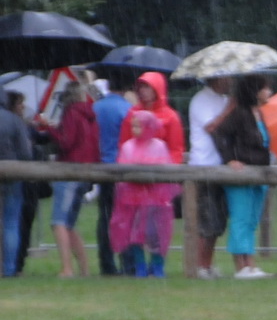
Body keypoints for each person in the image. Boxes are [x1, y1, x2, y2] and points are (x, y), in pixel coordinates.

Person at [37, 81, 99, 277]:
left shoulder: (71, 112)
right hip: (85, 172)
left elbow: (66, 141)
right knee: (69, 225)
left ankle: (67, 268)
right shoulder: (89, 114)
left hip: (70, 171)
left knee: (59, 222)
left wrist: (50, 128)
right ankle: (84, 270)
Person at [109, 109, 180, 279]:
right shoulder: (128, 146)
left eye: (138, 126)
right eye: (133, 126)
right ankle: (139, 266)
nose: (135, 130)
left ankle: (157, 266)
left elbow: (165, 171)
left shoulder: (159, 146)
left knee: (157, 234)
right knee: (135, 235)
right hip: (133, 200)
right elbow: (122, 172)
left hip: (156, 200)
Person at [214, 75, 273, 278]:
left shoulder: (261, 114)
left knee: (252, 220)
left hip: (259, 176)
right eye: (265, 88)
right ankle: (241, 266)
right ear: (255, 91)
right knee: (241, 218)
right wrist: (230, 159)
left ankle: (251, 264)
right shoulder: (239, 113)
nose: (269, 93)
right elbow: (220, 134)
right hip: (241, 177)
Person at [186, 76, 231, 278]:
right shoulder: (200, 100)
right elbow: (211, 127)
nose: (229, 80)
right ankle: (198, 266)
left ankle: (207, 264)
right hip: (203, 166)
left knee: (218, 221)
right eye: (226, 76)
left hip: (220, 166)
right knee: (206, 220)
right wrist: (231, 108)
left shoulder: (224, 99)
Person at [92, 78, 133, 274]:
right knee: (124, 218)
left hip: (102, 167)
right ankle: (128, 262)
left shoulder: (96, 107)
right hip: (123, 168)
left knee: (105, 217)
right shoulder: (127, 109)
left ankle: (106, 264)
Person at [0, 90, 33, 277]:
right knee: (11, 223)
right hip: (12, 174)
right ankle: (9, 268)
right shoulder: (14, 120)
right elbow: (26, 153)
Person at [132, 72, 185, 164]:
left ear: (157, 88)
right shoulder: (132, 113)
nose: (142, 90)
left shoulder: (171, 116)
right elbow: (124, 143)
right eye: (140, 87)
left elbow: (176, 150)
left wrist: (169, 174)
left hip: (161, 170)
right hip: (134, 168)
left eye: (147, 87)